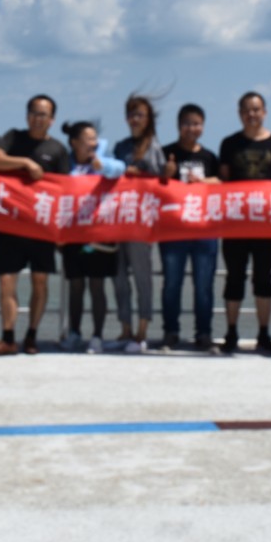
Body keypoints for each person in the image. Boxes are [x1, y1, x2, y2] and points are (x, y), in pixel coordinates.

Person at [0, 94, 70, 356]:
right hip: (11, 224)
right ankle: (8, 337)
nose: (37, 119)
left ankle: (31, 336)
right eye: (33, 113)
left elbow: (66, 191)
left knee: (40, 282)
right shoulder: (13, 138)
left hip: (41, 227)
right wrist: (24, 162)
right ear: (27, 115)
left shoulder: (58, 150)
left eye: (43, 114)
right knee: (6, 281)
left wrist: (62, 232)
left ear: (52, 119)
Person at [217, 91, 271, 355]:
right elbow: (223, 181)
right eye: (247, 110)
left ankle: (264, 333)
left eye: (256, 109)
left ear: (264, 112)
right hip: (235, 224)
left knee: (263, 278)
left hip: (265, 225)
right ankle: (231, 332)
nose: (252, 114)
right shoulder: (229, 144)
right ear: (239, 114)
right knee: (234, 278)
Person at [159, 104, 221, 351]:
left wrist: (203, 182)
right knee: (171, 284)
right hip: (173, 229)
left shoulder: (209, 157)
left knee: (204, 285)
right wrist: (167, 174)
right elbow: (154, 186)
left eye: (196, 123)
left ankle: (203, 333)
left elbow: (222, 183)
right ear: (178, 125)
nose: (191, 128)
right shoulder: (166, 154)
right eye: (186, 123)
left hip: (204, 230)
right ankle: (170, 332)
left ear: (203, 127)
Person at [61, 121, 126, 353]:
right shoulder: (64, 163)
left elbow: (120, 168)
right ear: (74, 143)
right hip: (73, 234)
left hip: (99, 233)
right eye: (88, 139)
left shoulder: (102, 158)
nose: (93, 143)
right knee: (76, 285)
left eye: (94, 138)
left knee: (97, 285)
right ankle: (75, 333)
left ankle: (97, 336)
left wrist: (103, 165)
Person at [112, 95, 165, 353]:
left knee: (143, 278)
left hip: (142, 223)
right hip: (118, 219)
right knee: (119, 277)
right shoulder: (120, 147)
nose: (135, 119)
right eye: (131, 115)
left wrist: (140, 174)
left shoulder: (154, 147)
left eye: (140, 115)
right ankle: (125, 327)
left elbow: (162, 183)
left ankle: (142, 330)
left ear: (148, 119)